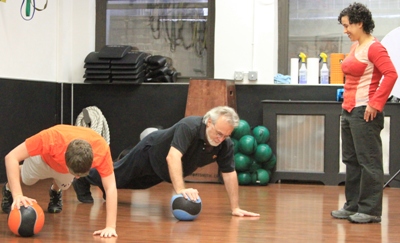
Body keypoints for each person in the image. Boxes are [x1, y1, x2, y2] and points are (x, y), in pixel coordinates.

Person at [73, 106, 260, 217]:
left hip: (162, 170)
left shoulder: (224, 144)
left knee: (133, 185)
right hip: (149, 152)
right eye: (219, 133)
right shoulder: (190, 126)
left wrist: (235, 207)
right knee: (116, 177)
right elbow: (173, 156)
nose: (221, 138)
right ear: (209, 122)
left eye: (226, 135)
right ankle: (82, 177)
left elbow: (229, 173)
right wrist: (180, 190)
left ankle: (109, 180)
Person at [331, 2, 398, 223]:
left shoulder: (374, 47)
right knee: (351, 160)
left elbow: (390, 74)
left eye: (347, 25)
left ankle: (370, 210)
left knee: (368, 161)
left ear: (360, 23)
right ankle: (352, 206)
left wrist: (375, 103)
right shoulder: (355, 47)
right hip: (349, 110)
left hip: (365, 112)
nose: (345, 30)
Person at [1, 125, 118, 237]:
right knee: (26, 179)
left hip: (63, 170)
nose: (77, 178)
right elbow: (11, 157)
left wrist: (110, 227)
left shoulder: (101, 150)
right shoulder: (51, 138)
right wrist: (17, 195)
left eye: (80, 175)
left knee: (65, 185)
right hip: (42, 160)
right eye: (75, 174)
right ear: (64, 155)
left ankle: (55, 191)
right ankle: (8, 188)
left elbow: (111, 186)